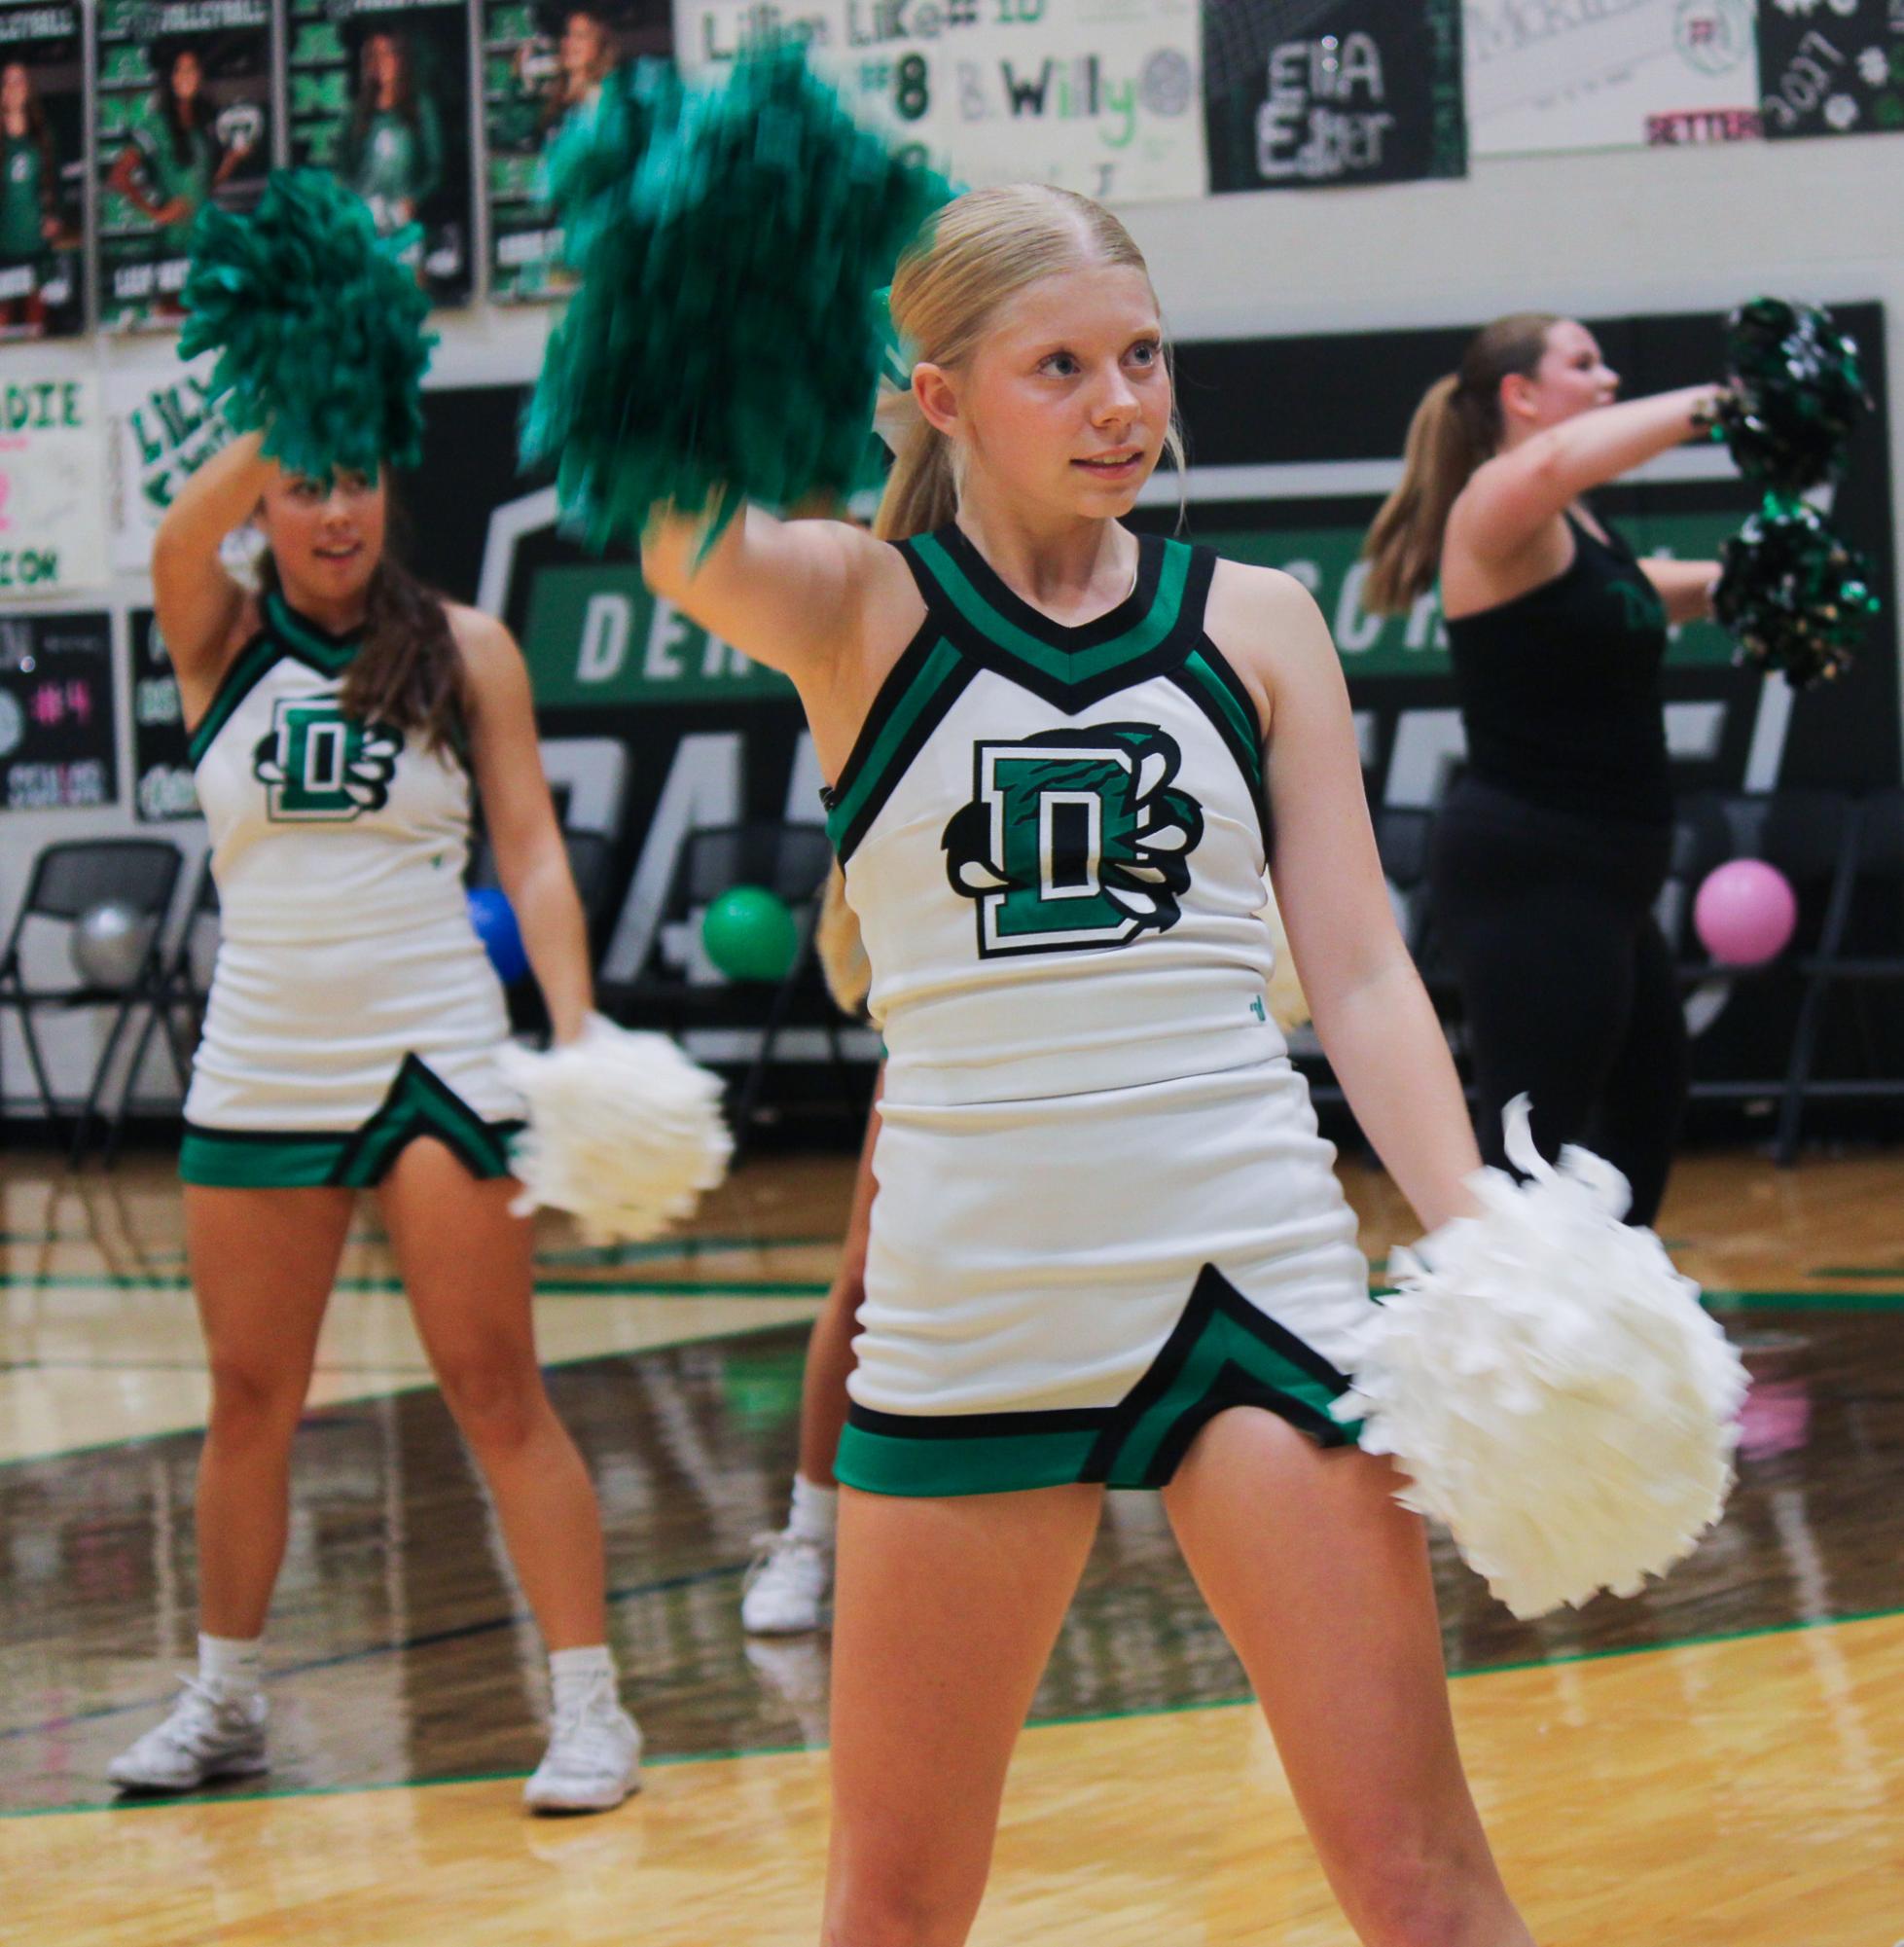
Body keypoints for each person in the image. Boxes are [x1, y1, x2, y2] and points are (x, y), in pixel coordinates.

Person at [647, 184, 1535, 1947]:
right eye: (1061, 366)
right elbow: (669, 524)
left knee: (1421, 1881)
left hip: (1250, 1280)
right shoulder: (854, 606)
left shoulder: (1259, 621)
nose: (1124, 403)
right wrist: (714, 289)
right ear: (940, 394)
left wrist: (1489, 1232)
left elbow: (1356, 969)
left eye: (1141, 355)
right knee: (892, 1907)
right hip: (971, 1306)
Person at [106, 431, 641, 1815]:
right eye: (303, 485)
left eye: (355, 479)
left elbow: (526, 844)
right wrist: (286, 391)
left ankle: (590, 1705)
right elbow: (180, 533)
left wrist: (574, 1031)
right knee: (246, 1400)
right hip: (265, 1051)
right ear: (265, 502)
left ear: (390, 492)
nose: (335, 511)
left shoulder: (465, 647)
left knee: (492, 1384)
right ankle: (224, 1696)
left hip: (433, 1052)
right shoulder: (214, 626)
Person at [1362, 314, 1725, 1225]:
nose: (1606, 380)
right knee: (1536, 1146)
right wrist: (1723, 407)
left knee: (1643, 1115)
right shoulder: (1497, 497)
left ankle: (1606, 1347)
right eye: (1583, 364)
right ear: (1520, 396)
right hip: (1536, 872)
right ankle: (1490, 1358)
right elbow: (1553, 464)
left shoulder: (1570, 524)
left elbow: (1637, 590)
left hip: (1604, 878)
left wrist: (1741, 578)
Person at [109, 46, 251, 234]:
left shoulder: (204, 123)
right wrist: (156, 213)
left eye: (192, 69)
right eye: (180, 70)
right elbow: (118, 176)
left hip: (204, 235)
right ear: (171, 78)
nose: (187, 76)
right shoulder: (157, 125)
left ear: (200, 75)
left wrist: (232, 159)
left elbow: (204, 187)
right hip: (174, 242)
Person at [341, 31, 442, 237]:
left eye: (388, 53)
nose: (382, 62)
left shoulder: (420, 106)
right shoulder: (356, 112)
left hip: (404, 222)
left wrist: (413, 200)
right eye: (375, 55)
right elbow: (342, 169)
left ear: (400, 59)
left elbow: (435, 169)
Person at [0, 60, 59, 329]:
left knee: (36, 322)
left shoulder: (42, 135)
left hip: (35, 243)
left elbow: (54, 183)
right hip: (4, 244)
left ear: (28, 89)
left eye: (19, 81)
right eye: (7, 82)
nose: (13, 88)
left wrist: (53, 217)